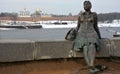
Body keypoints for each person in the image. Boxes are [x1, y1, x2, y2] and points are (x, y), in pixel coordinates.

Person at [73, 0, 106, 74]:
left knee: (92, 45)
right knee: (85, 46)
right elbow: (78, 26)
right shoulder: (80, 15)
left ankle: (91, 65)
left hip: (92, 33)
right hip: (82, 34)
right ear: (83, 6)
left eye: (88, 4)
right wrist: (74, 33)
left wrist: (99, 36)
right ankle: (91, 66)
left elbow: (96, 26)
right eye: (85, 4)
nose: (87, 5)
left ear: (91, 6)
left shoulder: (94, 15)